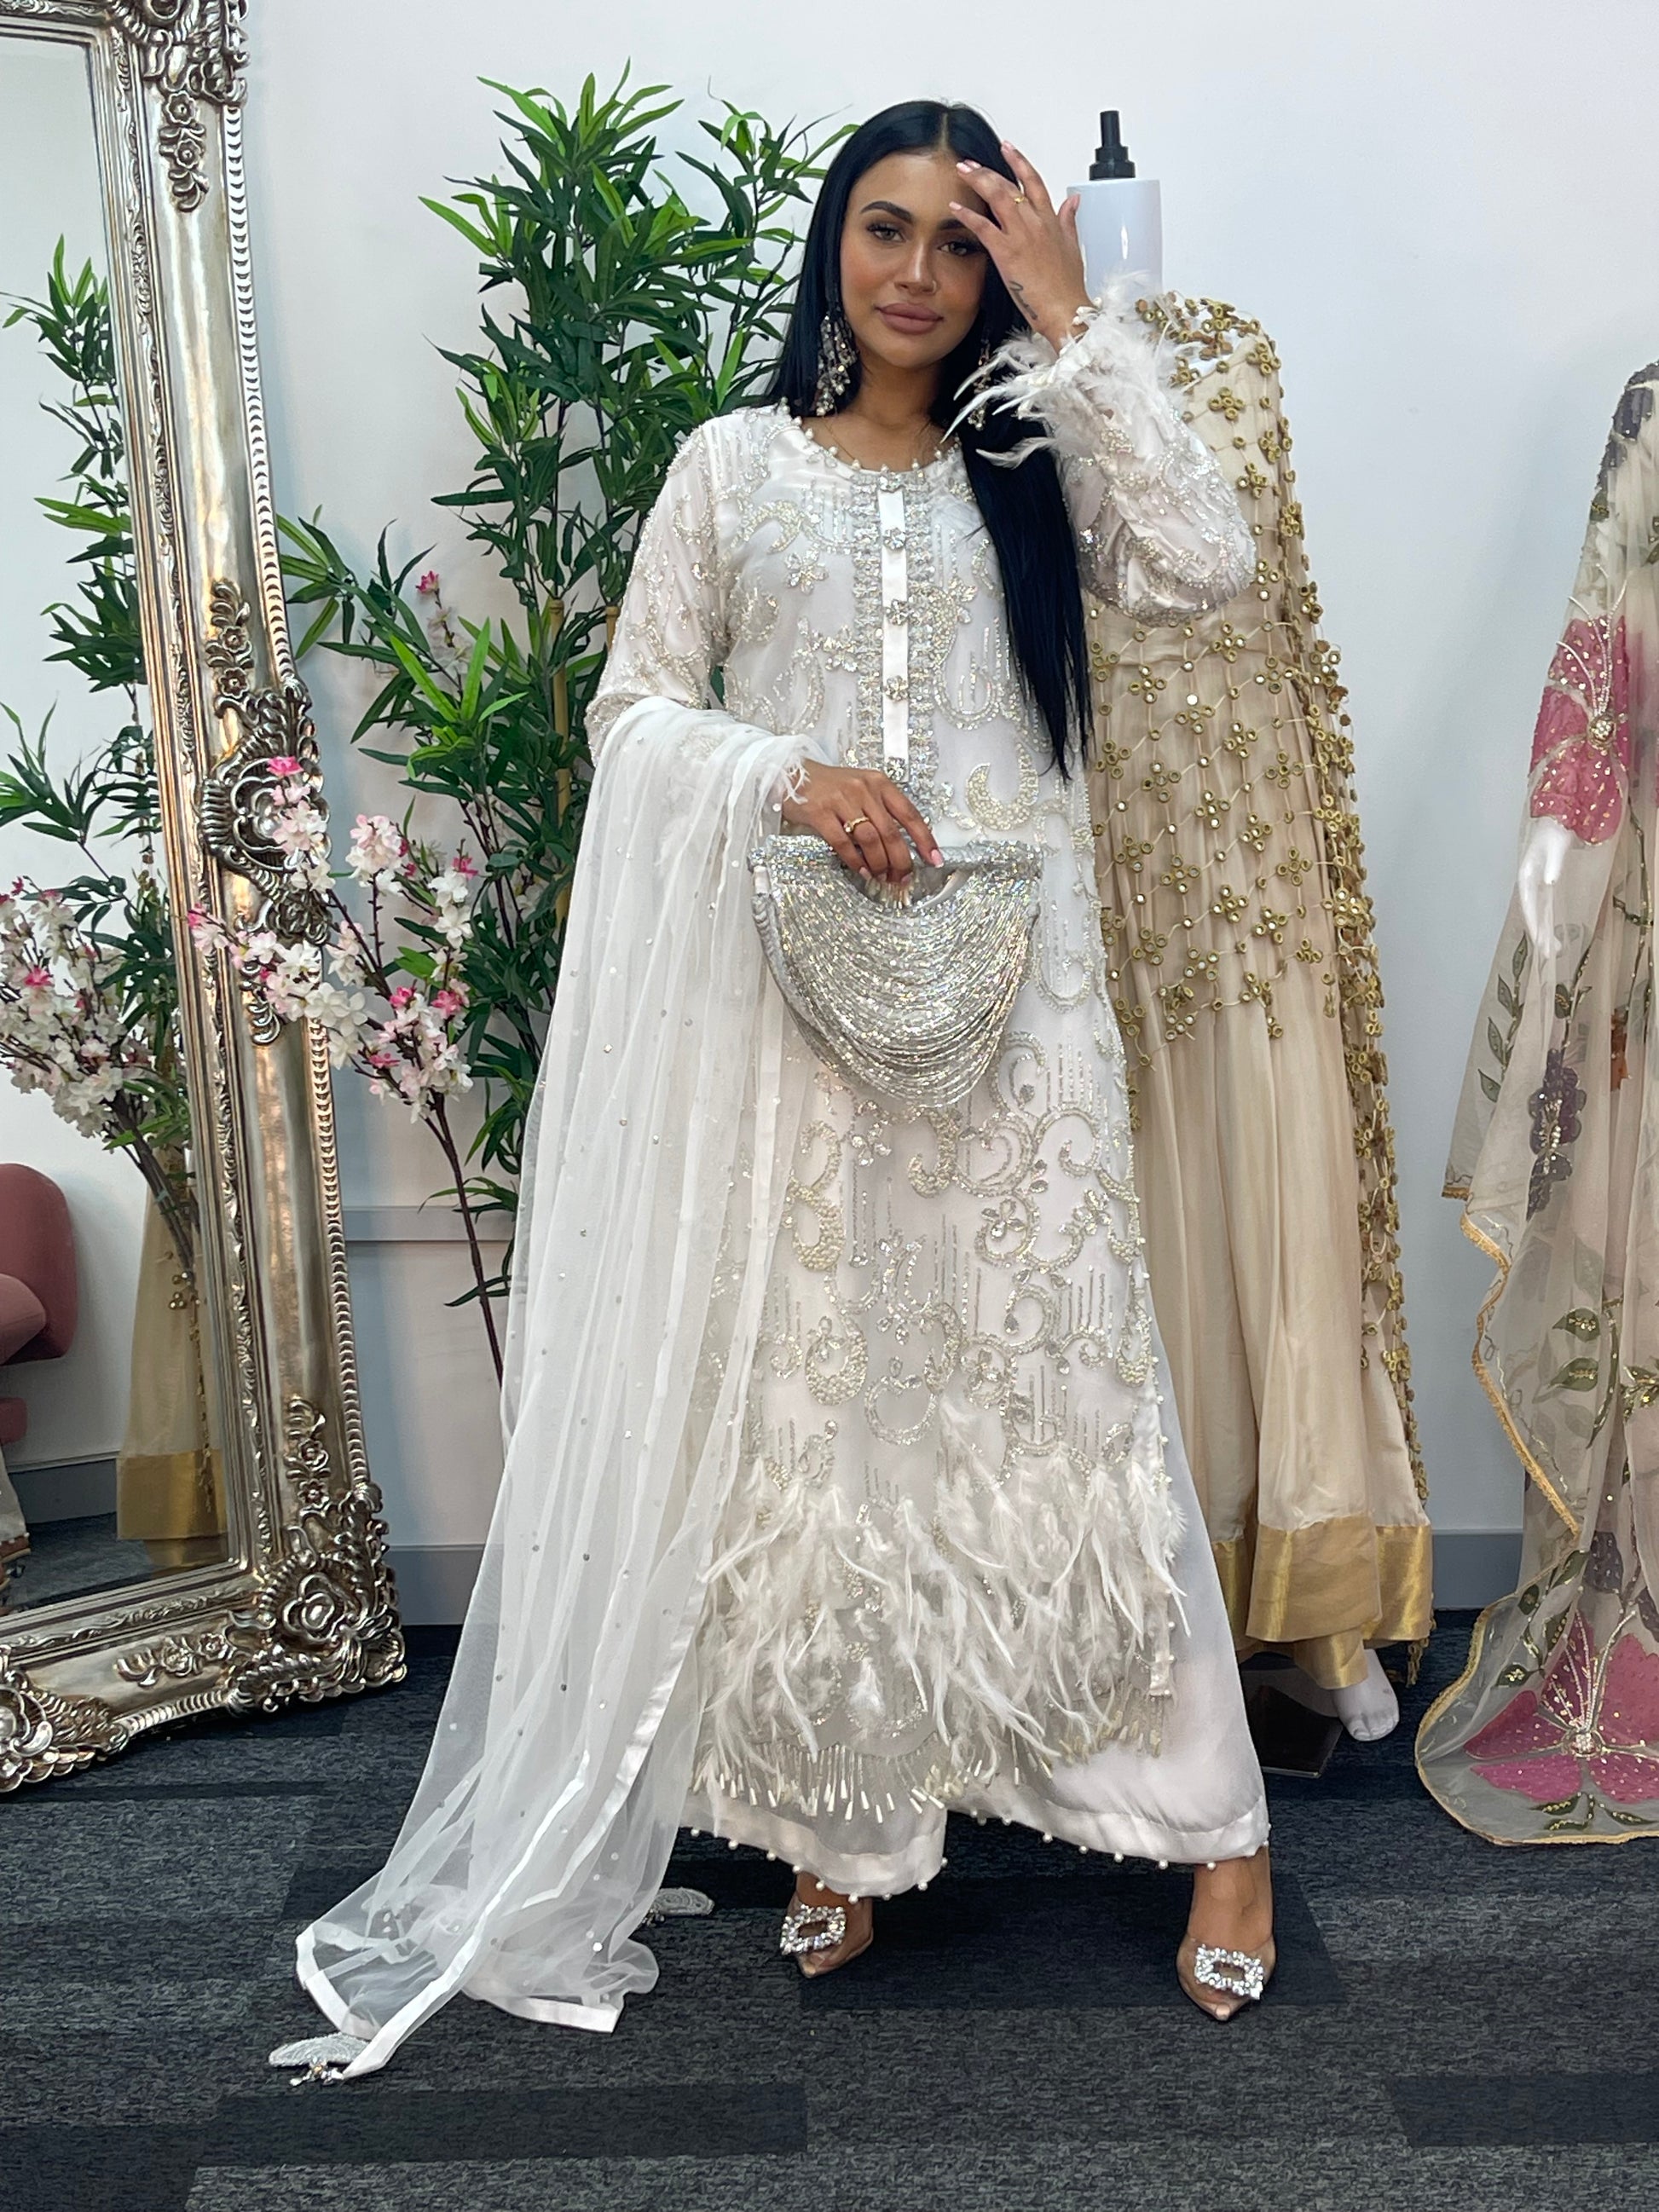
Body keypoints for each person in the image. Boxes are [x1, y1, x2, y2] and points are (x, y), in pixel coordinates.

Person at [289, 100, 1274, 2081]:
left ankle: (1217, 1839)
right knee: (833, 1406)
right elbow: (640, 707)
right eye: (884, 228)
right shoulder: (732, 469)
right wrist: (783, 770)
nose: (916, 272)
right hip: (802, 1011)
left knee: (1069, 1388)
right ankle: (856, 1819)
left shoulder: (1033, 459)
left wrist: (1079, 328)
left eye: (959, 243)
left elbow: (1207, 567)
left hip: (1021, 1020)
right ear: (834, 242)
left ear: (998, 267)